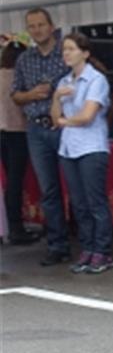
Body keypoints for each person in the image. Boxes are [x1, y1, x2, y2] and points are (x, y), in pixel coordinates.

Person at [10, 8, 70, 264]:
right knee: (49, 189)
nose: (36, 30)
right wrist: (31, 94)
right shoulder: (25, 59)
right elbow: (15, 95)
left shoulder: (66, 53)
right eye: (31, 26)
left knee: (76, 186)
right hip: (36, 127)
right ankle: (58, 245)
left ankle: (91, 244)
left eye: (40, 25)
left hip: (66, 126)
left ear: (51, 25)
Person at [51, 33, 113, 274]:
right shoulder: (65, 81)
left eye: (71, 49)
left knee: (95, 201)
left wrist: (64, 120)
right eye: (64, 50)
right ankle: (87, 247)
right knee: (78, 203)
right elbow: (54, 116)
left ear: (85, 53)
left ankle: (103, 250)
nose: (66, 53)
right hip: (68, 147)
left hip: (91, 146)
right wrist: (56, 98)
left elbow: (88, 116)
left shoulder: (96, 80)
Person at [1, 36, 39, 245]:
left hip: (2, 132)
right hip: (19, 132)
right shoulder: (21, 79)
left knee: (10, 181)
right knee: (16, 180)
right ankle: (16, 227)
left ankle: (11, 224)